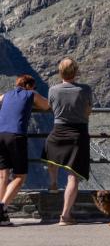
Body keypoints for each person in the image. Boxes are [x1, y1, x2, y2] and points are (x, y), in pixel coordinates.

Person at [41, 58, 93, 226]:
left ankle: (53, 182)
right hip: (78, 133)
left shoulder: (53, 90)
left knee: (51, 154)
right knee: (73, 177)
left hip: (58, 131)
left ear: (60, 72)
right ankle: (65, 216)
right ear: (76, 72)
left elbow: (51, 107)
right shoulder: (85, 89)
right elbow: (88, 111)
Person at [0, 75, 49, 226]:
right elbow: (46, 106)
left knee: (3, 175)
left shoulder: (5, 95)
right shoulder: (31, 94)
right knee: (20, 176)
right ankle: (1, 208)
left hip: (0, 134)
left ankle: (1, 215)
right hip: (16, 136)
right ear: (30, 86)